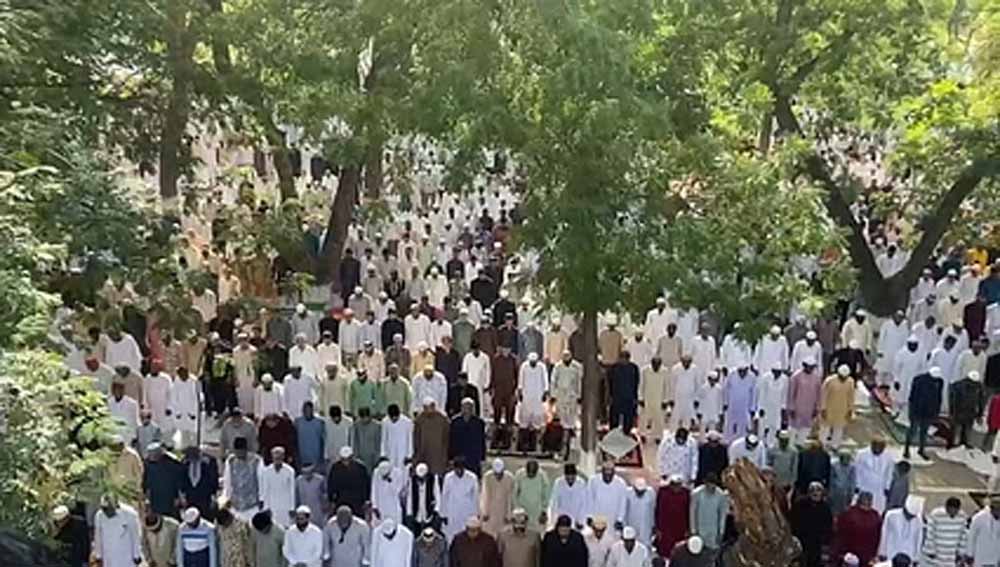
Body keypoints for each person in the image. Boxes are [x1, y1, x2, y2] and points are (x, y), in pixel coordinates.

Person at [790, 482, 834, 567]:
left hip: (817, 544)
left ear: (822, 493)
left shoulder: (825, 508)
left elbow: (828, 526)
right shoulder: (800, 505)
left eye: (818, 490)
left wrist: (824, 540)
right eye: (812, 490)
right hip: (801, 542)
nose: (815, 493)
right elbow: (793, 521)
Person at [905, 366, 944, 459]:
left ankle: (921, 449)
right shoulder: (918, 380)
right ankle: (906, 449)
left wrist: (936, 411)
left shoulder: (939, 382)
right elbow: (912, 397)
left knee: (924, 432)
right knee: (913, 430)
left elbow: (939, 397)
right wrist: (912, 411)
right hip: (917, 410)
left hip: (929, 411)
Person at [834, 492, 882, 567]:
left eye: (869, 501)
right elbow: (840, 535)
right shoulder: (849, 514)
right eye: (866, 501)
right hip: (850, 555)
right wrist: (842, 554)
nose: (867, 503)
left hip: (868, 556)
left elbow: (879, 536)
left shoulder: (875, 516)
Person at [94, 496, 143, 567]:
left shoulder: (130, 514)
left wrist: (137, 555)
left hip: (126, 558)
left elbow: (135, 536)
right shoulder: (99, 515)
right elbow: (98, 537)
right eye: (104, 509)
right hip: (108, 558)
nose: (106, 512)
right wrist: (98, 556)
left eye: (108, 509)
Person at [441, 457, 481, 542]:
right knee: (451, 535)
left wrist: (476, 513)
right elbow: (444, 496)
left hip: (467, 511)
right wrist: (443, 514)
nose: (458, 471)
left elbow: (476, 496)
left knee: (466, 534)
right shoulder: (448, 477)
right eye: (457, 469)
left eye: (460, 469)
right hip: (452, 511)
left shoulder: (472, 477)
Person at [222, 437, 262, 522]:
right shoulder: (230, 460)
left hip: (252, 505)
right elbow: (227, 482)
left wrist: (261, 499)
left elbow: (262, 482)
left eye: (241, 452)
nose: (239, 454)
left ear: (245, 450)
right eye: (237, 452)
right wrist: (226, 498)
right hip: (235, 505)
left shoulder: (257, 461)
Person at [688, 473, 728, 553]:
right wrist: (693, 531)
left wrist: (721, 532)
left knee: (712, 553)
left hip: (713, 531)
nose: (711, 486)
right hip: (699, 530)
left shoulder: (721, 495)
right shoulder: (696, 493)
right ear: (705, 483)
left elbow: (722, 515)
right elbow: (692, 513)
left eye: (713, 483)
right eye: (710, 483)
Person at [327, 446, 371, 516]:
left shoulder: (361, 468)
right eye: (343, 459)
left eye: (348, 459)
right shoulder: (335, 468)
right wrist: (331, 500)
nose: (346, 462)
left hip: (357, 501)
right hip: (341, 500)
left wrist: (366, 500)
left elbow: (366, 485)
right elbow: (331, 485)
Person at [143, 443, 184, 519]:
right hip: (154, 499)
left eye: (155, 454)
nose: (152, 457)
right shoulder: (146, 464)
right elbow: (145, 483)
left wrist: (178, 497)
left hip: (169, 498)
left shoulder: (172, 464)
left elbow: (178, 482)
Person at [923, 497, 967, 567]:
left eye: (955, 511)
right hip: (938, 553)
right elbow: (930, 533)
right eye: (950, 510)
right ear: (946, 507)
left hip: (952, 554)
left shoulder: (962, 516)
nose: (953, 513)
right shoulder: (936, 514)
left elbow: (963, 536)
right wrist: (931, 550)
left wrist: (961, 552)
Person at [787, 358, 823, 444]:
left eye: (812, 367)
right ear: (804, 366)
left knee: (805, 429)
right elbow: (791, 393)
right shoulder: (796, 376)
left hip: (809, 408)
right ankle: (791, 445)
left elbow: (818, 394)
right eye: (809, 367)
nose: (810, 369)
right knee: (793, 429)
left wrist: (817, 408)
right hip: (797, 408)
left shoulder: (816, 378)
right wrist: (791, 407)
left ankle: (800, 445)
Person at [258, 446, 296, 528]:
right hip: (272, 505)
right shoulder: (266, 471)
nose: (277, 459)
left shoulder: (290, 471)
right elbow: (265, 490)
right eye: (275, 457)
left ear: (283, 457)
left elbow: (292, 490)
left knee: (286, 527)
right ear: (272, 457)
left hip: (285, 505)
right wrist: (266, 507)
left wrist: (292, 507)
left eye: (279, 457)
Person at [879, 497, 924, 563]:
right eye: (908, 515)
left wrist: (916, 557)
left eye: (912, 516)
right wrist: (882, 552)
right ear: (904, 509)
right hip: (891, 552)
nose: (909, 517)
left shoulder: (918, 520)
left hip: (909, 555)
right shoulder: (891, 515)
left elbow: (919, 539)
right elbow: (884, 534)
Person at [855, 437, 895, 513]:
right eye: (876, 448)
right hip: (865, 486)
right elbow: (857, 471)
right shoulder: (861, 454)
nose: (878, 451)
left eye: (881, 449)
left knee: (878, 509)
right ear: (872, 446)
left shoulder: (889, 456)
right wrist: (857, 485)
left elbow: (889, 472)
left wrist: (887, 486)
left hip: (880, 488)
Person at [179, 445, 220, 519]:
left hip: (205, 499)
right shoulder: (184, 463)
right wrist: (183, 496)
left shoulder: (209, 462)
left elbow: (214, 480)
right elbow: (182, 480)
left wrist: (213, 497)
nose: (190, 457)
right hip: (190, 499)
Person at [654, 475, 690, 557]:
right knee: (665, 550)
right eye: (674, 485)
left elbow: (688, 511)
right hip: (665, 527)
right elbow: (658, 510)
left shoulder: (686, 493)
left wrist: (688, 529)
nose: (676, 487)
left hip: (680, 527)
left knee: (679, 551)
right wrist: (657, 528)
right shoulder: (663, 492)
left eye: (678, 485)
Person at [821, 365, 856, 448]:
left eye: (845, 377)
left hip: (842, 409)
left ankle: (834, 446)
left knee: (839, 428)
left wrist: (850, 410)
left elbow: (851, 397)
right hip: (829, 408)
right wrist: (823, 408)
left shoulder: (850, 382)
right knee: (825, 428)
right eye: (841, 377)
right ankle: (822, 445)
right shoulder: (830, 380)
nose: (843, 379)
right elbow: (823, 395)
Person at [414, 398, 451, 476]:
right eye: (425, 408)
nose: (427, 411)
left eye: (429, 408)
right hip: (423, 453)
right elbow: (416, 438)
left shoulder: (442, 419)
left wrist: (445, 455)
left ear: (434, 407)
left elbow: (447, 438)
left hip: (439, 455)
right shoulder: (420, 419)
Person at [949, 370, 985, 449]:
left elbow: (981, 401)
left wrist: (980, 414)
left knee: (962, 428)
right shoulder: (960, 386)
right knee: (959, 428)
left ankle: (960, 442)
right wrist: (979, 414)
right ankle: (955, 443)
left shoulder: (978, 387)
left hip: (966, 411)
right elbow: (954, 400)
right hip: (963, 411)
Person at [587, 461, 628, 529]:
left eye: (610, 474)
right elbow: (589, 499)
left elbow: (623, 502)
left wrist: (620, 519)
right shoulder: (593, 481)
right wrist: (589, 515)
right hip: (597, 516)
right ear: (602, 472)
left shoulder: (621, 483)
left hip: (613, 517)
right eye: (606, 474)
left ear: (613, 473)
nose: (608, 476)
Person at [722, 364, 758, 442]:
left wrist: (752, 408)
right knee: (730, 424)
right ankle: (728, 441)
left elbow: (754, 392)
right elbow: (725, 389)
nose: (742, 373)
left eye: (744, 371)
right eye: (740, 371)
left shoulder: (752, 377)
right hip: (732, 404)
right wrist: (725, 402)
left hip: (745, 405)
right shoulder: (731, 375)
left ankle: (742, 441)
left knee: (744, 425)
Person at [513, 460, 551, 531]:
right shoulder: (519, 474)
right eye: (529, 473)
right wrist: (517, 509)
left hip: (537, 511)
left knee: (537, 532)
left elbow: (546, 494)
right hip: (523, 510)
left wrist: (544, 511)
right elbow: (514, 493)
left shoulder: (542, 475)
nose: (531, 475)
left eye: (533, 473)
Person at [639, 356, 670, 442]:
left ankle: (658, 436)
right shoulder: (645, 370)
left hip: (659, 399)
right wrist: (641, 398)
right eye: (654, 364)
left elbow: (667, 386)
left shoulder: (665, 371)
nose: (656, 366)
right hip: (647, 398)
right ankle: (643, 434)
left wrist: (665, 400)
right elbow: (641, 384)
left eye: (658, 364)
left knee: (659, 419)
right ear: (651, 363)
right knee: (644, 417)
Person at [482, 459, 516, 536]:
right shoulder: (487, 477)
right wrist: (485, 512)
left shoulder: (510, 477)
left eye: (500, 474)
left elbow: (511, 497)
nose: (498, 476)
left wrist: (509, 514)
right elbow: (485, 495)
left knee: (504, 533)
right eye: (496, 474)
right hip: (491, 510)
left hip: (504, 510)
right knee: (490, 533)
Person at [609, 351, 640, 432]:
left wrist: (635, 398)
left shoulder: (634, 368)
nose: (623, 360)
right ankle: (613, 433)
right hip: (616, 397)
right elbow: (610, 383)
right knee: (614, 419)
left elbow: (636, 383)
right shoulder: (614, 368)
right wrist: (610, 396)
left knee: (628, 419)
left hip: (629, 397)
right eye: (622, 358)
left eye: (625, 358)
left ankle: (627, 432)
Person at [758, 367, 789, 447]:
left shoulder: (785, 379)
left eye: (779, 372)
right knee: (763, 428)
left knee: (775, 428)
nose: (777, 374)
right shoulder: (765, 377)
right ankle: (762, 445)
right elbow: (762, 393)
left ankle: (772, 446)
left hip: (777, 408)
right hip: (766, 407)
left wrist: (783, 408)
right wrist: (761, 407)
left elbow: (784, 395)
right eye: (775, 372)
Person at [406, 462, 441, 533]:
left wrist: (436, 510)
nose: (421, 481)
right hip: (417, 514)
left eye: (423, 478)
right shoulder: (412, 480)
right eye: (419, 479)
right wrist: (409, 513)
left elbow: (437, 495)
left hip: (429, 513)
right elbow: (410, 497)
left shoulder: (433, 479)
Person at [965, 495, 1000, 567]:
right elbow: (971, 536)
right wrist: (970, 554)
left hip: (995, 558)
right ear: (993, 508)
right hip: (980, 558)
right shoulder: (979, 517)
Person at [551, 464, 589, 529]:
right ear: (565, 475)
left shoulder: (581, 483)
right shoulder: (558, 482)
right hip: (562, 518)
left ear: (575, 475)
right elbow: (554, 502)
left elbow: (584, 503)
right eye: (568, 477)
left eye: (572, 477)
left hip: (576, 518)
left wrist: (581, 520)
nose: (570, 479)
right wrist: (554, 520)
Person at [215, 502, 252, 567]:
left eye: (226, 523)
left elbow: (248, 542)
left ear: (229, 517)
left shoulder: (241, 523)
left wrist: (249, 561)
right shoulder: (219, 525)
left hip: (240, 561)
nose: (225, 526)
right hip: (226, 561)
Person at [371, 460, 407, 525]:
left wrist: (389, 481)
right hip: (380, 505)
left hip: (394, 506)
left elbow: (398, 490)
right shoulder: (376, 472)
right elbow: (374, 489)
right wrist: (374, 506)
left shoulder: (398, 473)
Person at [623, 478, 655, 549]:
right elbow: (624, 509)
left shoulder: (650, 493)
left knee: (645, 546)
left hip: (645, 526)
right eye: (638, 491)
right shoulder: (628, 493)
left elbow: (652, 509)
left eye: (642, 491)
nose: (640, 493)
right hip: (632, 524)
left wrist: (653, 525)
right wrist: (624, 525)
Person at [381, 403, 415, 469]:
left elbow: (410, 439)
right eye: (392, 417)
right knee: (391, 469)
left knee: (403, 469)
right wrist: (383, 454)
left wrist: (409, 455)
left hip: (403, 451)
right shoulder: (385, 421)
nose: (394, 418)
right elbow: (384, 438)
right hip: (390, 451)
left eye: (396, 417)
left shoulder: (407, 422)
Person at [351, 407, 382, 472]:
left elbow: (378, 442)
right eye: (362, 418)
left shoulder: (377, 426)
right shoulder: (356, 425)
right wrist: (355, 456)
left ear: (369, 416)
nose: (364, 420)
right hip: (360, 456)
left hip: (372, 457)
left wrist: (377, 457)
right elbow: (355, 441)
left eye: (366, 417)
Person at [828, 450, 857, 516]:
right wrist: (830, 493)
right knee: (834, 511)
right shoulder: (834, 465)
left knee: (845, 512)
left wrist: (851, 493)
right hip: (835, 492)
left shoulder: (852, 467)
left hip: (846, 492)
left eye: (847, 457)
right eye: (844, 457)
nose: (846, 459)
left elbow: (852, 481)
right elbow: (831, 480)